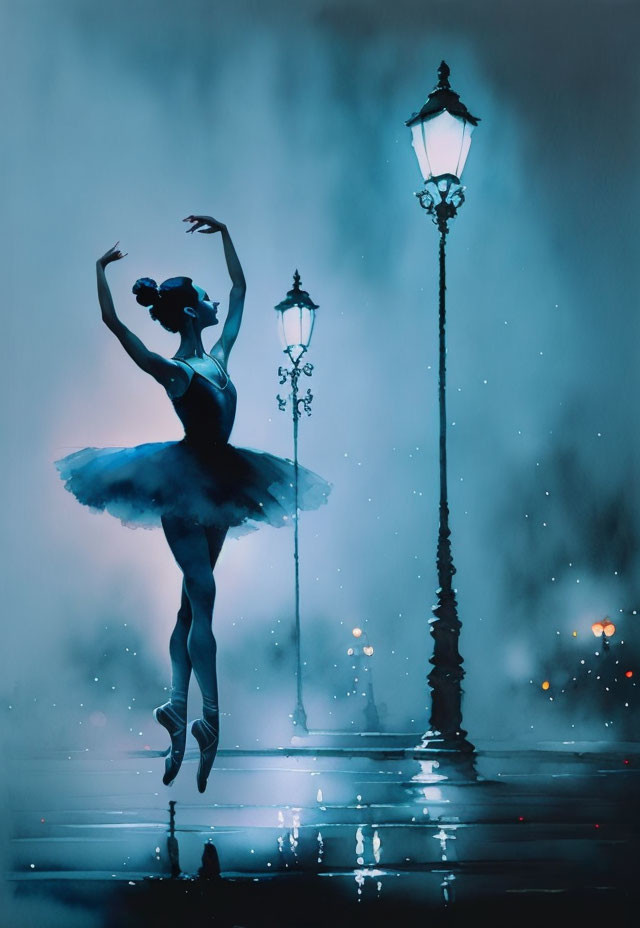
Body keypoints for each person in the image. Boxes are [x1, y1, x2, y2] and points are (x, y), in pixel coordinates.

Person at [55, 215, 329, 792]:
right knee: (203, 595)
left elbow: (239, 291)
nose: (209, 300)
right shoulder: (178, 374)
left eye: (206, 296)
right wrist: (100, 272)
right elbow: (113, 323)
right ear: (186, 314)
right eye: (199, 297)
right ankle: (210, 719)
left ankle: (178, 710)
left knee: (189, 608)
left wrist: (227, 231)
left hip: (224, 484)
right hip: (183, 486)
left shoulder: (219, 357)